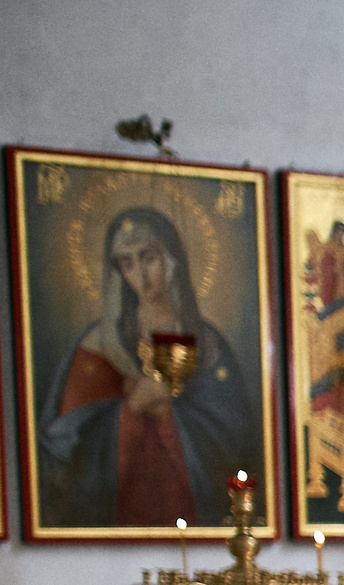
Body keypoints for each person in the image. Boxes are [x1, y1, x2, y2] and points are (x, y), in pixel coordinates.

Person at [37, 206, 263, 528]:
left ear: (172, 259)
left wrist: (168, 412)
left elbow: (236, 439)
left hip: (195, 516)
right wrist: (131, 410)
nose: (140, 275)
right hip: (120, 515)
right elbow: (63, 446)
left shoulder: (208, 344)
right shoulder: (100, 343)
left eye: (148, 257)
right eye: (127, 263)